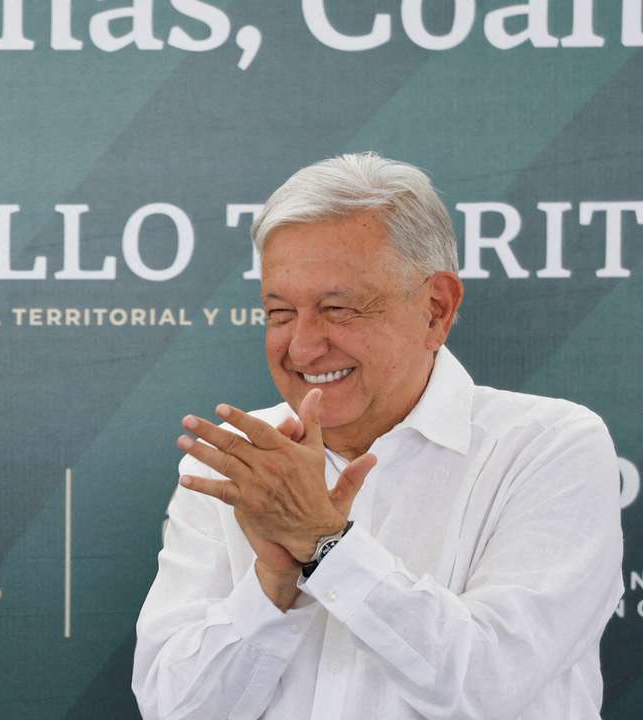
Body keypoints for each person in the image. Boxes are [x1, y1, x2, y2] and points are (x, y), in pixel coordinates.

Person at [131, 153, 623, 719]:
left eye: (338, 309)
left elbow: (487, 687)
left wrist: (324, 544)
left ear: (437, 309)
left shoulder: (549, 446)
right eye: (281, 312)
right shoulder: (238, 461)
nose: (303, 347)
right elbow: (176, 710)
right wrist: (270, 583)